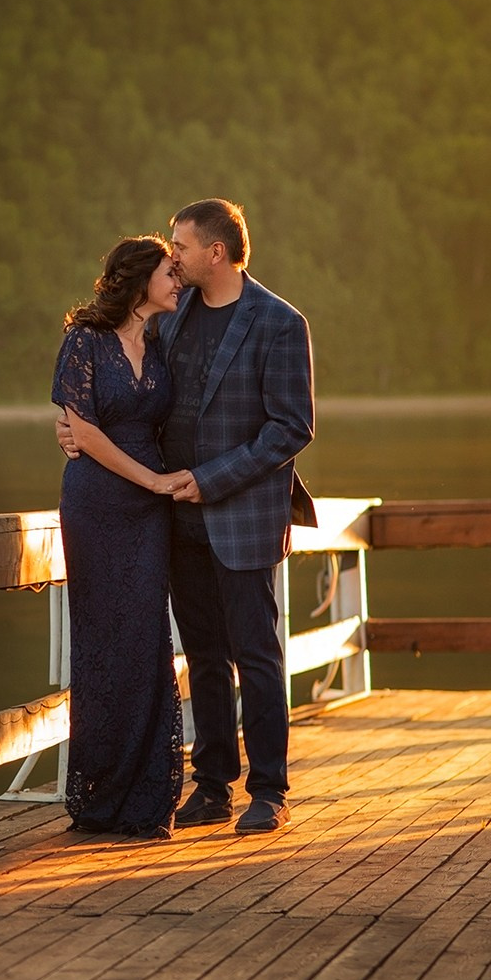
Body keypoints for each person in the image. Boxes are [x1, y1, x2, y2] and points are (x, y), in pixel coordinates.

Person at [60, 199, 315, 835]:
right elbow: (135, 399)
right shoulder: (172, 318)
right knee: (202, 656)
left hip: (243, 515)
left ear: (216, 252)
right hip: (174, 518)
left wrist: (211, 480)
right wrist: (75, 430)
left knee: (256, 654)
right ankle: (212, 787)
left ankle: (269, 791)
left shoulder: (280, 323)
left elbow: (291, 427)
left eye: (181, 245)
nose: (173, 257)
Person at [51, 235, 192, 839]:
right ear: (139, 282)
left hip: (148, 512)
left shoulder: (161, 341)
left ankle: (147, 798)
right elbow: (82, 430)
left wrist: (161, 485)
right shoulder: (84, 340)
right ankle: (101, 797)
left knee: (146, 640)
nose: (178, 281)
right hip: (97, 502)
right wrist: (153, 481)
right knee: (101, 640)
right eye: (169, 272)